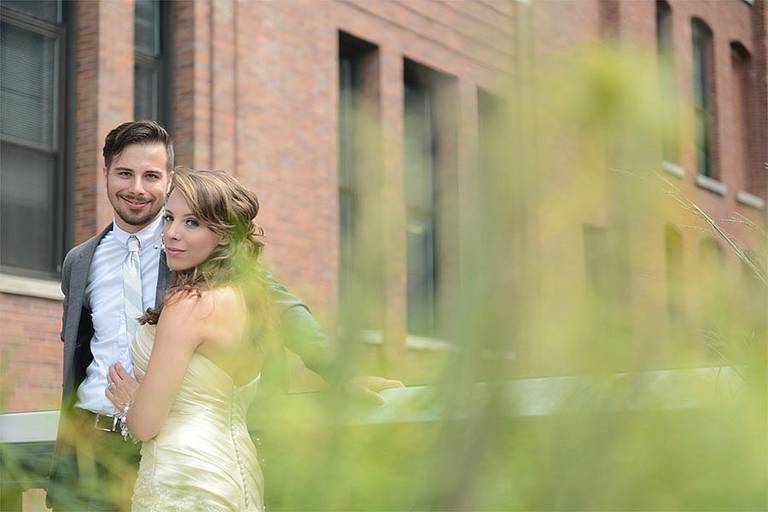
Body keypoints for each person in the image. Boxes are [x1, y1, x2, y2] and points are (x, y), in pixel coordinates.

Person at [47, 121, 402, 511]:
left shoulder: (194, 254)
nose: (137, 188)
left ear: (168, 182)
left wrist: (339, 372)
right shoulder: (78, 261)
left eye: (151, 176)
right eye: (125, 174)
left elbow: (285, 308)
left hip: (165, 445)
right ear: (106, 173)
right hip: (87, 445)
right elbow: (79, 351)